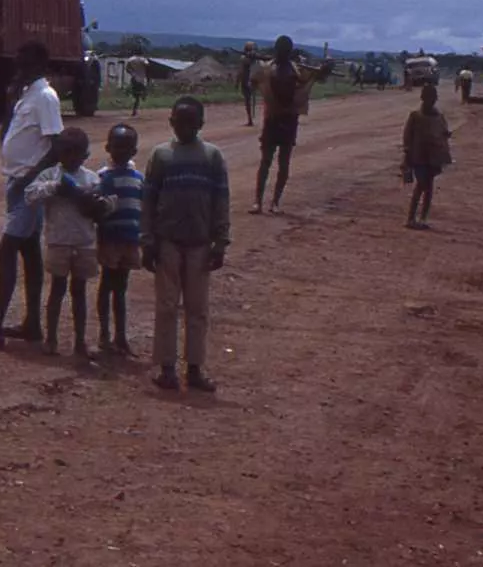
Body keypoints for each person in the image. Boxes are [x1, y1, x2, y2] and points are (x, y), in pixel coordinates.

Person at [0, 42, 64, 348]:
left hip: (28, 187)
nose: (18, 68)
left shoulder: (45, 97)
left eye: (24, 63)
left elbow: (56, 145)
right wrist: (9, 99)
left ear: (38, 65)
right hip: (17, 182)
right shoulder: (26, 95)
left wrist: (32, 178)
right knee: (29, 251)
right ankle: (32, 323)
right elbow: (8, 133)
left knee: (7, 250)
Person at [141, 96, 230, 392]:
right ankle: (167, 368)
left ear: (200, 124)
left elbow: (221, 200)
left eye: (190, 122)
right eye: (178, 122)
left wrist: (221, 241)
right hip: (167, 241)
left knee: (197, 308)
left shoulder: (212, 157)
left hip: (200, 243)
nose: (183, 127)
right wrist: (148, 239)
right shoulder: (160, 156)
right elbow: (149, 200)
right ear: (171, 123)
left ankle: (194, 368)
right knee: (166, 306)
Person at [23, 127, 104, 358]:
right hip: (58, 242)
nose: (71, 158)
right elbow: (30, 195)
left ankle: (79, 341)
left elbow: (100, 207)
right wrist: (56, 187)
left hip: (84, 243)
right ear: (59, 153)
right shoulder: (51, 176)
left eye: (75, 153)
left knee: (79, 292)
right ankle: (51, 339)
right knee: (57, 290)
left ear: (85, 155)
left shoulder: (91, 178)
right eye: (66, 153)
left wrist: (90, 201)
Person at [251, 35, 322, 214]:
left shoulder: (296, 70)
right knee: (267, 161)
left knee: (282, 162)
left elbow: (312, 79)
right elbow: (254, 81)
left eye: (284, 50)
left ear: (289, 52)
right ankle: (259, 202)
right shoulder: (269, 68)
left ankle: (274, 202)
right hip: (273, 119)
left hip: (288, 119)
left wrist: (321, 71)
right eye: (280, 49)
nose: (282, 53)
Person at [94, 122, 146, 357]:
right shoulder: (102, 177)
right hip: (110, 239)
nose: (122, 152)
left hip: (130, 240)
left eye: (127, 148)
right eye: (117, 147)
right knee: (107, 286)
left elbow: (145, 207)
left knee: (121, 289)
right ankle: (105, 334)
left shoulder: (138, 178)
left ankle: (120, 336)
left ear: (134, 151)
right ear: (108, 147)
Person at [402, 83, 453, 229]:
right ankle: (412, 218)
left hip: (433, 157)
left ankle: (422, 218)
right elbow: (407, 137)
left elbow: (444, 133)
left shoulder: (438, 117)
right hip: (418, 156)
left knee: (428, 186)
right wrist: (407, 154)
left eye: (432, 97)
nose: (430, 100)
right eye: (428, 97)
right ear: (423, 98)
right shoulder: (415, 116)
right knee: (422, 185)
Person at [238, 41, 260, 126]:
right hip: (249, 80)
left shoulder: (250, 59)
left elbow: (240, 70)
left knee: (247, 100)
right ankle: (250, 119)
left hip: (248, 80)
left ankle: (250, 119)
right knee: (248, 100)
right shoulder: (250, 59)